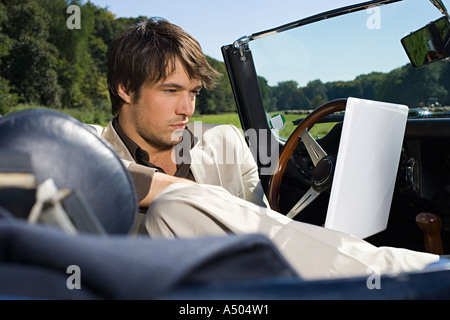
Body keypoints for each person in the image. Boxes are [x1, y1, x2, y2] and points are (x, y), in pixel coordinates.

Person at [90, 18, 439, 280]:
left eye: (194, 93)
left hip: (250, 286)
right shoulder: (82, 154)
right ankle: (417, 273)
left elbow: (264, 227)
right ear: (125, 88)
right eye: (171, 91)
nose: (187, 109)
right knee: (173, 207)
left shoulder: (224, 141)